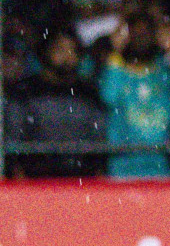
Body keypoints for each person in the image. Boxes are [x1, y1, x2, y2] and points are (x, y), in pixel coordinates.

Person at [3, 30, 106, 178]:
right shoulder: (25, 91)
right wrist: (18, 177)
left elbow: (99, 137)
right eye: (60, 49)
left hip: (81, 179)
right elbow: (13, 138)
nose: (67, 56)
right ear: (45, 52)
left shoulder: (88, 92)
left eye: (72, 50)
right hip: (36, 180)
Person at [99, 12, 170, 179]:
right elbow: (108, 97)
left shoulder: (163, 70)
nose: (141, 39)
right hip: (123, 165)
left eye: (146, 34)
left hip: (159, 165)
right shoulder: (118, 70)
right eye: (136, 34)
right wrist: (116, 52)